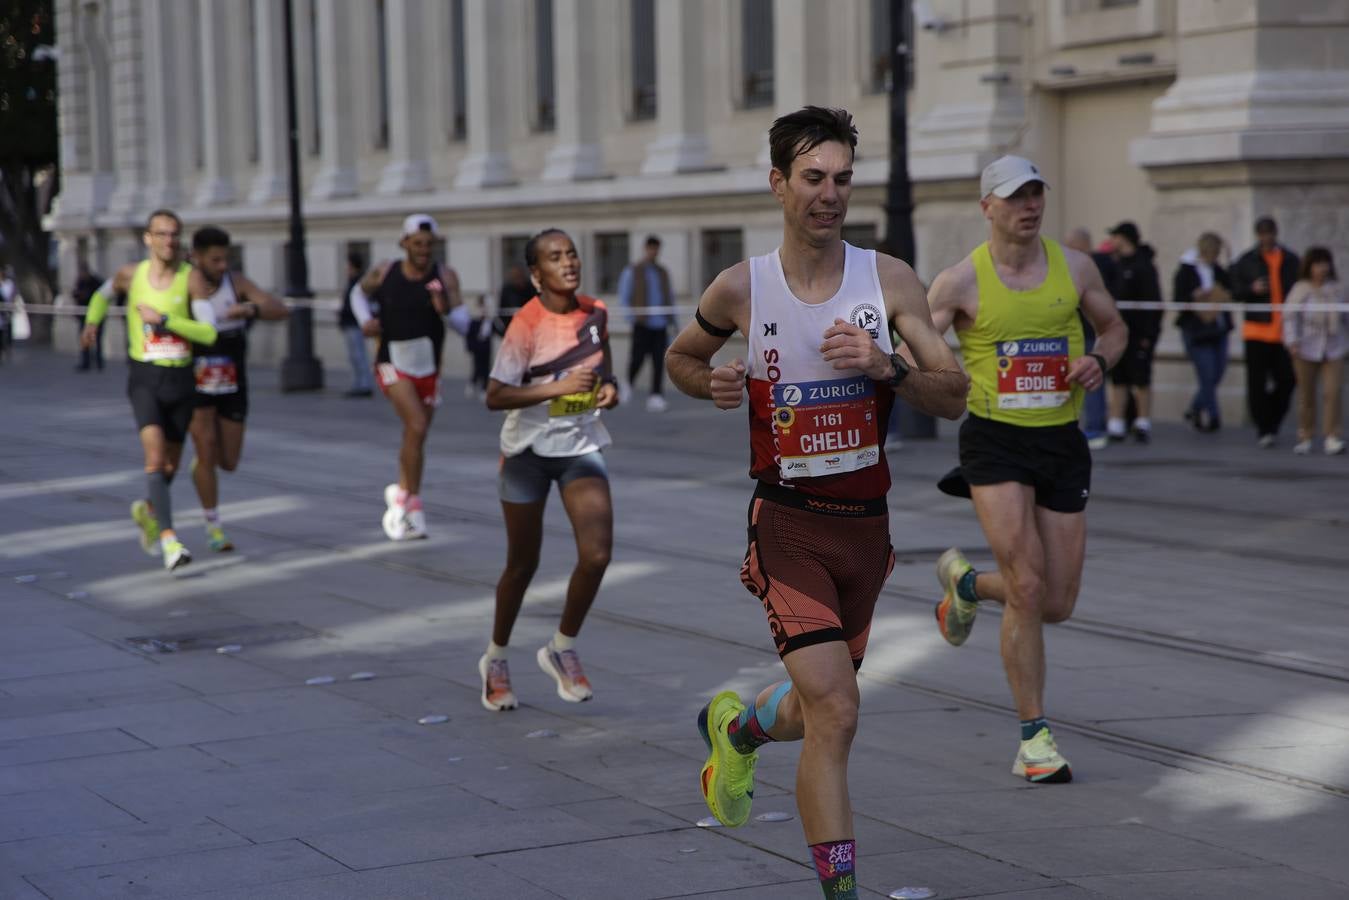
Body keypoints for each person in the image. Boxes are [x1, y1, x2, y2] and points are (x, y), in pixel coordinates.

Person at [666, 107, 967, 900]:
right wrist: (713, 382)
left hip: (866, 535)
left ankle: (738, 728)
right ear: (778, 184)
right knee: (837, 709)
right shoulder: (741, 287)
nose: (828, 195)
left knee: (815, 709)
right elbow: (681, 357)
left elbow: (955, 396)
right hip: (788, 527)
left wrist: (885, 366)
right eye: (812, 178)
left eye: (841, 179)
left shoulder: (888, 280)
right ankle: (841, 892)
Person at [926, 156, 1127, 784]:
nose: (1029, 206)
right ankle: (1033, 738)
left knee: (1058, 601)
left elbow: (1116, 328)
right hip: (994, 441)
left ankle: (966, 586)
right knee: (1030, 585)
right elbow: (916, 354)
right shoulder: (959, 282)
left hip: (1061, 440)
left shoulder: (1077, 267)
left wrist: (1098, 359)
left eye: (1036, 193)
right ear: (988, 206)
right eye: (1015, 197)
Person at [479, 229, 620, 713]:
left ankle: (562, 647)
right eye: (555, 258)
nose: (569, 263)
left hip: (580, 447)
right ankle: (495, 658)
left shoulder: (596, 312)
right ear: (537, 275)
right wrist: (553, 391)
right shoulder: (526, 323)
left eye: (573, 254)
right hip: (527, 454)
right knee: (523, 563)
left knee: (597, 554)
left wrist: (609, 391)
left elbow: (607, 375)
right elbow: (495, 395)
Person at [80, 210, 219, 571]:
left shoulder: (192, 280)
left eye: (174, 234)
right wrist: (92, 323)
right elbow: (99, 297)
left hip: (181, 379)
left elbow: (209, 332)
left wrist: (167, 321)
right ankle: (170, 540)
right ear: (148, 238)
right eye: (161, 234)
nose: (168, 241)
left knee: (170, 464)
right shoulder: (131, 274)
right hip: (144, 377)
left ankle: (149, 510)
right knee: (155, 458)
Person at [349, 214, 464, 540]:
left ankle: (403, 495)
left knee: (416, 435)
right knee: (416, 425)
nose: (424, 250)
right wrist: (365, 320)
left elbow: (462, 322)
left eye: (429, 245)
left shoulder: (444, 277)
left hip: (427, 365)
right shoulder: (385, 271)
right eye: (417, 244)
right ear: (404, 244)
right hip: (391, 361)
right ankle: (410, 507)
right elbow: (355, 294)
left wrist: (446, 310)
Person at [185, 226, 289, 552]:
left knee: (228, 460)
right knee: (206, 444)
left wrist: (251, 308)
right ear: (196, 257)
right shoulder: (185, 283)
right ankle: (213, 525)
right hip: (196, 373)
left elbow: (279, 307)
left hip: (232, 376)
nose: (220, 265)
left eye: (224, 258)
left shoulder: (235, 282)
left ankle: (203, 466)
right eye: (214, 259)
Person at [1231, 216, 1299, 447]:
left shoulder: (1290, 259)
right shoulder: (1247, 261)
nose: (1266, 237)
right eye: (1262, 233)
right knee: (1256, 382)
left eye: (1270, 232)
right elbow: (1234, 290)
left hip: (1284, 331)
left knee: (1287, 379)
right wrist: (1251, 289)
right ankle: (1264, 428)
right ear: (1257, 235)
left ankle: (1272, 420)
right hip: (1257, 330)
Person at [1283, 247, 1348, 455]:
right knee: (1307, 393)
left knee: (1333, 391)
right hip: (1306, 347)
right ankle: (1306, 435)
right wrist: (1292, 341)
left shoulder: (1337, 289)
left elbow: (1345, 317)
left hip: (1333, 346)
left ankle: (1332, 435)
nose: (1322, 268)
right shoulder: (1300, 289)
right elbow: (1290, 318)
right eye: (1317, 264)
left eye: (1325, 263)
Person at [1104, 222, 1162, 443]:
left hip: (1139, 334)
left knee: (1141, 379)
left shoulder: (1144, 266)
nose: (1112, 242)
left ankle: (1142, 421)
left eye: (1115, 236)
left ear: (1125, 238)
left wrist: (1149, 335)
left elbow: (1153, 303)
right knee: (1118, 378)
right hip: (1118, 331)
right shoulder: (1115, 265)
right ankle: (1116, 422)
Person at [1173, 232, 1234, 432]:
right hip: (1196, 329)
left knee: (1218, 371)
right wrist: (1194, 295)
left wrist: (1229, 257)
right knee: (1207, 373)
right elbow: (1178, 299)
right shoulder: (1186, 271)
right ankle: (1213, 416)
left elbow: (1231, 286)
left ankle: (1195, 407)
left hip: (1218, 327)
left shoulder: (1217, 269)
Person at [1063, 228, 1115, 449]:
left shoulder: (1089, 268)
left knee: (1090, 380)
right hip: (1076, 335)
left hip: (1087, 334)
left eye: (1070, 246)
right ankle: (1091, 425)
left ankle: (1095, 427)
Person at [618, 235, 674, 412]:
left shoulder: (662, 272)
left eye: (656, 248)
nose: (653, 252)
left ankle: (656, 395)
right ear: (645, 249)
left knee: (659, 360)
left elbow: (670, 297)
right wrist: (631, 317)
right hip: (642, 323)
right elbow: (624, 295)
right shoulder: (633, 271)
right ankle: (627, 385)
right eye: (651, 248)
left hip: (660, 323)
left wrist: (673, 320)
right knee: (637, 359)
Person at [339, 251, 374, 397]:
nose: (346, 268)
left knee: (359, 355)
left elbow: (358, 303)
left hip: (354, 323)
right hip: (350, 322)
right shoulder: (353, 281)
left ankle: (364, 384)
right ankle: (359, 383)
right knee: (354, 355)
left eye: (348, 265)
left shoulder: (359, 282)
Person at [73, 259, 105, 371]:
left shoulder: (95, 282)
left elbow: (101, 297)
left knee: (98, 341)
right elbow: (75, 294)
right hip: (84, 317)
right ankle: (85, 362)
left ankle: (99, 362)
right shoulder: (80, 282)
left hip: (96, 318)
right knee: (85, 339)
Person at [464, 295, 495, 399]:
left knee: (486, 368)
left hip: (486, 348)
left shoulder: (490, 322)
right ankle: (472, 383)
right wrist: (470, 347)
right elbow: (469, 335)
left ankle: (484, 389)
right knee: (477, 367)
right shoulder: (475, 321)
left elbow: (499, 331)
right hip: (477, 348)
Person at [496, 263, 535, 336]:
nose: (517, 279)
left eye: (518, 276)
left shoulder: (530, 288)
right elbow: (502, 309)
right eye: (514, 276)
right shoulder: (507, 290)